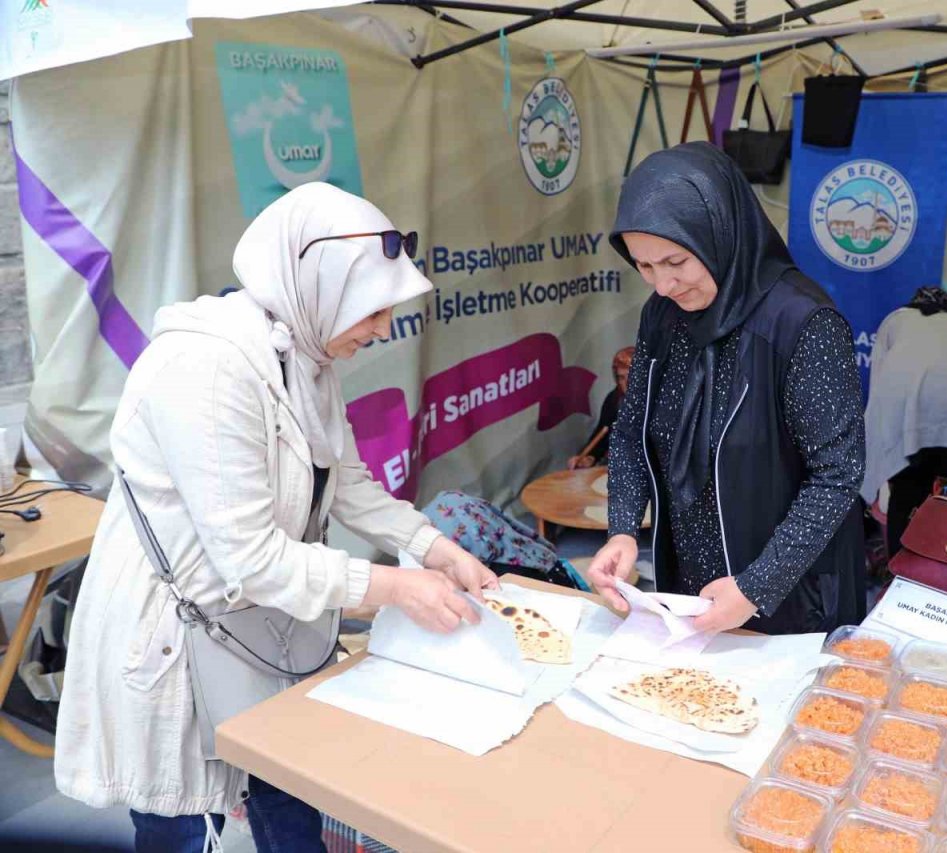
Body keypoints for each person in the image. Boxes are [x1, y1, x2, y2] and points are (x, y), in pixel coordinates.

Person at [54, 183, 498, 853]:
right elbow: (250, 556)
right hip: (178, 637)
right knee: (180, 821)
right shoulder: (207, 369)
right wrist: (396, 586)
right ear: (317, 285)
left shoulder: (307, 352)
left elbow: (341, 477)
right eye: (373, 311)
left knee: (287, 783)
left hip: (257, 624)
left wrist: (433, 546)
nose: (383, 328)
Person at [586, 143, 866, 636]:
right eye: (645, 267)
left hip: (791, 594)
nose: (663, 285)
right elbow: (631, 432)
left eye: (675, 261)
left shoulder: (802, 322)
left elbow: (838, 476)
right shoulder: (663, 316)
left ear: (721, 233)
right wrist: (624, 529)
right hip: (691, 587)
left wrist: (756, 588)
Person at [861, 287, 947, 556]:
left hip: (908, 409)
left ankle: (899, 566)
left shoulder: (895, 319)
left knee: (907, 490)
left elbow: (880, 381)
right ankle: (946, 562)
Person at [568, 346, 634, 469]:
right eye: (621, 377)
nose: (627, 383)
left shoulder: (663, 402)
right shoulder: (614, 400)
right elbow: (601, 437)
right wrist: (590, 458)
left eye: (631, 376)